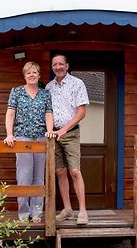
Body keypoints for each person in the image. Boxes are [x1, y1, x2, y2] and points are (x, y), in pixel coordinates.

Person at [4, 61, 54, 223]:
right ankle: (24, 214)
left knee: (39, 178)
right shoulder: (16, 92)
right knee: (24, 176)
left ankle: (37, 213)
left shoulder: (45, 94)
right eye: (28, 73)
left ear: (39, 75)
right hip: (22, 138)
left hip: (41, 138)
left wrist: (49, 130)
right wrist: (9, 134)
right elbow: (10, 114)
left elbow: (48, 113)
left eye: (34, 72)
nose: (32, 75)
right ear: (24, 76)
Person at [46, 54, 89, 225]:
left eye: (61, 64)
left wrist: (64, 130)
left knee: (75, 172)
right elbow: (48, 112)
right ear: (52, 67)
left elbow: (81, 112)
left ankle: (83, 211)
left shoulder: (77, 83)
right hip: (54, 135)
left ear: (67, 66)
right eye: (55, 64)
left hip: (70, 133)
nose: (58, 67)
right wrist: (52, 131)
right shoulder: (49, 87)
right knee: (60, 172)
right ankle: (68, 209)